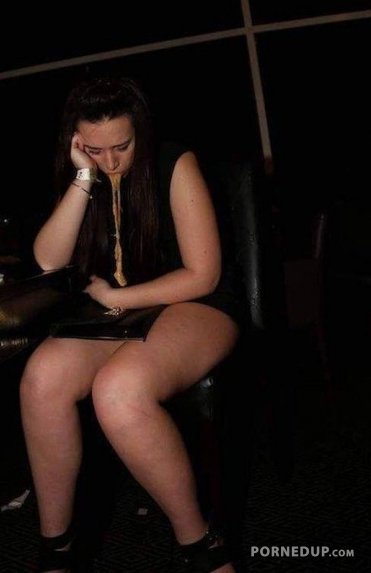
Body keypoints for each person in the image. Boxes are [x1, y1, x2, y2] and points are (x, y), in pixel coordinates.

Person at [19, 75, 246, 573]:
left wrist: (117, 296)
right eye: (94, 149)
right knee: (41, 378)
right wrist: (83, 178)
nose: (111, 161)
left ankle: (203, 547)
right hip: (122, 314)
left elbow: (203, 275)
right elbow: (49, 259)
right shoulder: (88, 174)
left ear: (139, 130)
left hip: (196, 303)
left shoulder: (174, 162)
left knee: (119, 391)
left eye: (121, 146)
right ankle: (57, 551)